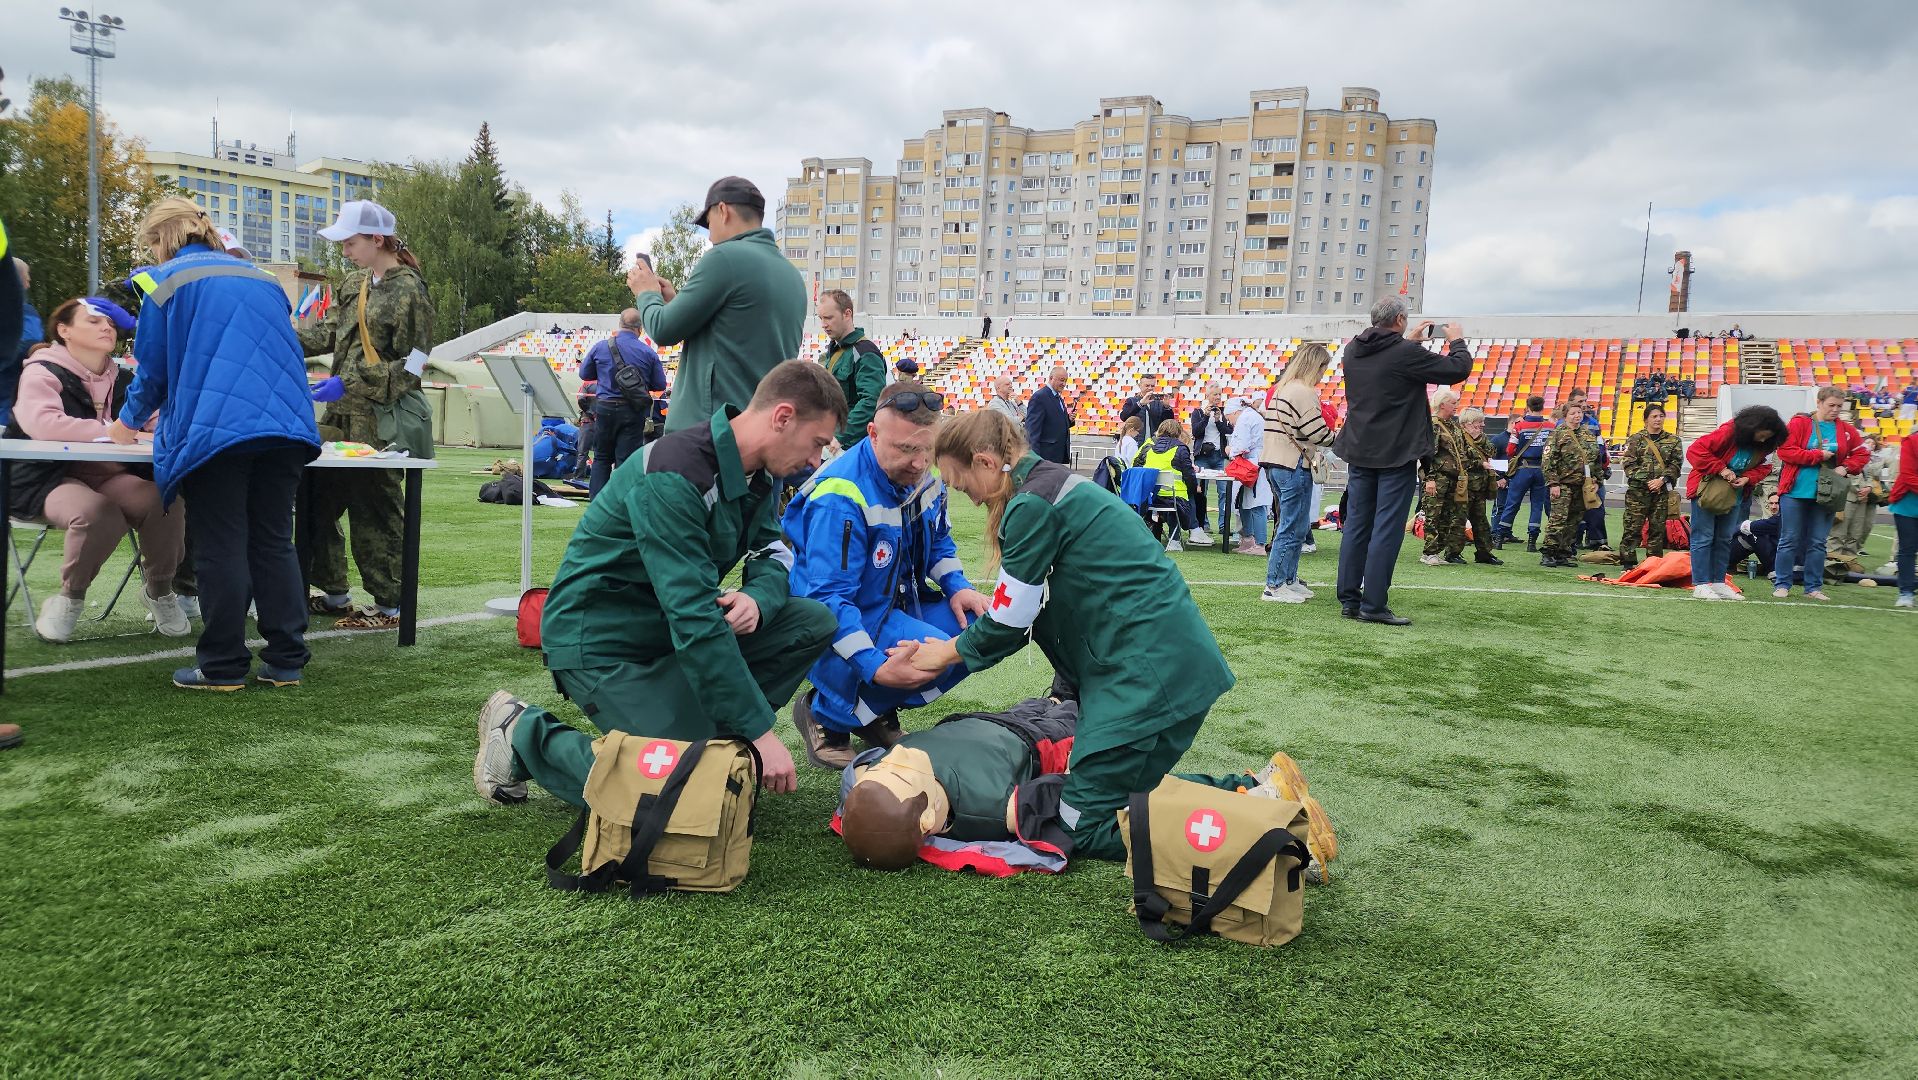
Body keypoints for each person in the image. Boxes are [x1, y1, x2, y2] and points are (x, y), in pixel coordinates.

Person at [472, 361, 846, 809]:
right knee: (686, 789)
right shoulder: (676, 473)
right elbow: (693, 618)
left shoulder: (763, 472)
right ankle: (523, 733)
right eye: (817, 443)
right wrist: (760, 732)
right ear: (783, 417)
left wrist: (757, 598)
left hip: (664, 632)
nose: (815, 461)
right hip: (602, 643)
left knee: (812, 621)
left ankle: (711, 743)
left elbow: (772, 552)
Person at [890, 409, 1248, 861]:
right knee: (1131, 798)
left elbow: (1010, 619)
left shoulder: (1032, 504)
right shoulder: (1053, 484)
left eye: (960, 483)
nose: (969, 498)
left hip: (1140, 679)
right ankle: (1254, 792)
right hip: (1172, 669)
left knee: (1085, 824)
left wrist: (943, 654)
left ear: (983, 461)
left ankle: (1263, 831)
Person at [104, 197, 321, 689]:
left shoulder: (167, 283)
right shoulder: (264, 280)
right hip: (286, 426)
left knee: (221, 544)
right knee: (272, 541)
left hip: (217, 429)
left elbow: (153, 371)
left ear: (160, 240)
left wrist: (125, 424)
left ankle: (223, 664)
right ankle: (286, 660)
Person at [783, 380, 989, 768]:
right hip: (849, 615)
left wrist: (957, 586)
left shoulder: (924, 474)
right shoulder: (840, 496)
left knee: (980, 628)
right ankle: (825, 712)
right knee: (929, 654)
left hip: (892, 603)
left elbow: (940, 541)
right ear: (873, 434)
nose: (918, 462)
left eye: (927, 449)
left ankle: (869, 712)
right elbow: (827, 602)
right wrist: (874, 667)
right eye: (906, 449)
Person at [5, 297, 189, 641]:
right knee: (96, 511)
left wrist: (141, 431)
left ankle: (160, 591)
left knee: (165, 501)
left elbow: (158, 421)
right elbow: (44, 424)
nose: (107, 327)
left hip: (110, 475)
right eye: (93, 321)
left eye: (110, 323)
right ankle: (70, 598)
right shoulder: (41, 370)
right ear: (64, 331)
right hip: (46, 478)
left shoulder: (125, 377)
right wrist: (113, 432)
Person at [296, 200, 435, 630]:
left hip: (378, 419)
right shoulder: (355, 282)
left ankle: (391, 606)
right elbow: (328, 332)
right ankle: (334, 590)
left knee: (375, 511)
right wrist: (275, 333)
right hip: (339, 415)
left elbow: (417, 362)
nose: (345, 251)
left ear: (378, 240)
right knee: (317, 503)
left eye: (351, 242)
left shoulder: (409, 289)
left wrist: (354, 382)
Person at [1331, 299, 1474, 625]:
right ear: (1399, 319)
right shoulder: (1404, 354)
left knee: (1356, 526)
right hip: (1395, 452)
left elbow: (1386, 364)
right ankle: (1374, 604)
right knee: (1386, 529)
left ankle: (1350, 600)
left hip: (1360, 448)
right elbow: (1457, 369)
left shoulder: (1353, 349)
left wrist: (1406, 341)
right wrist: (1457, 340)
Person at [627, 176, 806, 433]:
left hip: (708, 436)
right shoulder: (791, 275)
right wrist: (680, 303)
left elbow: (663, 329)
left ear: (722, 210)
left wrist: (646, 292)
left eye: (708, 224)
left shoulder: (724, 258)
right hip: (761, 433)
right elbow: (735, 335)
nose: (710, 237)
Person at [1772, 386, 1869, 600]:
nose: (1835, 410)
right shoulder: (1800, 423)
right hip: (1796, 491)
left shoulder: (1846, 429)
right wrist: (1816, 455)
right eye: (1831, 405)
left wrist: (1846, 467)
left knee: (1818, 542)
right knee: (1789, 539)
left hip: (1828, 494)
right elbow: (1785, 451)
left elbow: (1862, 454)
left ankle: (1813, 588)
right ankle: (1782, 584)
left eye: (1839, 407)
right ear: (1819, 403)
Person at [1685, 405, 1787, 601]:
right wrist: (1721, 469)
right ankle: (1700, 584)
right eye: (1762, 435)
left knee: (1724, 539)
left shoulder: (1766, 444)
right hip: (1707, 492)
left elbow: (1764, 467)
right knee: (1703, 537)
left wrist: (1748, 478)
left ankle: (1718, 582)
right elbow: (1695, 451)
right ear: (1751, 427)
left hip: (1735, 495)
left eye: (1768, 437)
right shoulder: (1728, 432)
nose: (1764, 440)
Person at [1261, 342, 1336, 600]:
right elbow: (1317, 432)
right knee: (1292, 526)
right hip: (1293, 463)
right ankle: (1276, 583)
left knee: (1293, 525)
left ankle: (1287, 578)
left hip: (1276, 462)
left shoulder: (1282, 389)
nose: (1323, 374)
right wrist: (1340, 438)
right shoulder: (1304, 392)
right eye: (1323, 368)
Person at [575, 308, 667, 497]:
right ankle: (621, 508)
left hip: (605, 408)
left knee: (601, 459)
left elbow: (585, 374)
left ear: (620, 325)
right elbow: (659, 384)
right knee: (626, 462)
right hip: (632, 411)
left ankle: (596, 508)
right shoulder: (647, 352)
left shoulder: (601, 347)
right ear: (639, 329)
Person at [813, 289, 886, 450]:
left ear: (847, 314)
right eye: (821, 318)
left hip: (852, 445)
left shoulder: (865, 352)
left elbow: (871, 400)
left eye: (829, 318)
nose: (823, 324)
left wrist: (841, 435)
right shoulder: (836, 349)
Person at [1537, 401, 1604, 569]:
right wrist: (1553, 483)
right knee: (1558, 519)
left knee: (1573, 521)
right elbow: (1548, 461)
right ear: (1565, 416)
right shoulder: (1557, 434)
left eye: (1579, 412)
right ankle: (1549, 552)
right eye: (1573, 413)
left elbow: (1596, 460)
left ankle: (1563, 552)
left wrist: (1597, 480)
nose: (1577, 416)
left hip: (1581, 486)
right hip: (1563, 484)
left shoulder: (1588, 435)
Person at [1619, 403, 1682, 571]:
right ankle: (1628, 562)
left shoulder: (1673, 440)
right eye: (1654, 416)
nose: (1658, 419)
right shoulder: (1635, 439)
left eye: (1661, 416)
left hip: (1661, 491)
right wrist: (1648, 480)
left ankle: (1653, 563)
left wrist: (1662, 480)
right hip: (1638, 492)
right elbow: (1628, 464)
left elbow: (1676, 464)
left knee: (1657, 528)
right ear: (1646, 419)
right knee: (1633, 526)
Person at [1134, 418, 1208, 550]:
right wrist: (1193, 488)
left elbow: (1137, 467)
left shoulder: (1148, 446)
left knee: (1177, 499)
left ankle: (1162, 536)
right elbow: (1189, 475)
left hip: (1150, 497)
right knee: (1192, 497)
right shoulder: (1180, 448)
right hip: (1174, 497)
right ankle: (1185, 535)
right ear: (1178, 432)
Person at [1416, 387, 1468, 567]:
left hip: (1452, 478)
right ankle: (1429, 552)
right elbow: (1428, 454)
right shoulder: (1434, 425)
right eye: (1453, 403)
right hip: (1437, 477)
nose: (1456, 406)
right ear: (1443, 404)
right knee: (1433, 515)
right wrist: (1429, 479)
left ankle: (1436, 551)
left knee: (1446, 516)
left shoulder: (1452, 426)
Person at [1495, 394, 1555, 550]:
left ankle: (1499, 538)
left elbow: (1509, 450)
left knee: (1512, 503)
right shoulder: (1550, 427)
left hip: (1523, 469)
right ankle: (1532, 542)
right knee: (1537, 505)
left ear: (1528, 408)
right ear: (1542, 408)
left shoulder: (1519, 426)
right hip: (1541, 470)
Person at [1832, 434, 1894, 562]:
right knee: (1839, 532)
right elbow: (1844, 474)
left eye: (1872, 443)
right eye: (1867, 442)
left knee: (1855, 533)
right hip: (1847, 497)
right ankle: (1831, 563)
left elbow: (1870, 475)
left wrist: (1869, 488)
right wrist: (1859, 489)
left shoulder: (1869, 459)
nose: (1869, 445)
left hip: (1862, 499)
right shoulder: (1847, 454)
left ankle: (1849, 563)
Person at [1455, 407, 1505, 565]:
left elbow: (1492, 451)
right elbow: (1458, 460)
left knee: (1481, 521)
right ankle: (1453, 552)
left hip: (1480, 486)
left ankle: (1484, 553)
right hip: (1463, 486)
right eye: (1478, 423)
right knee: (1459, 520)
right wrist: (1480, 463)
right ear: (1467, 423)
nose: (1482, 426)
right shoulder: (1457, 437)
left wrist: (1479, 439)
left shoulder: (1481, 438)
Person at [1226, 398, 1271, 555]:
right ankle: (1249, 539)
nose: (1230, 422)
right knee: (1244, 502)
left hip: (1253, 464)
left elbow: (1241, 445)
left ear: (1234, 412)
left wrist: (1229, 451)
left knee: (1256, 504)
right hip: (1253, 462)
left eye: (1228, 418)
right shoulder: (1252, 416)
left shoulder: (1245, 419)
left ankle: (1259, 543)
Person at [0, 257, 39, 427]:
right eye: (27, 279)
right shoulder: (23, 311)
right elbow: (30, 346)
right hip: (9, 389)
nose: (28, 285)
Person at [1189, 386, 1233, 536]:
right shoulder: (1198, 412)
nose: (1218, 397)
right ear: (1207, 395)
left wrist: (1219, 420)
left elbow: (1229, 433)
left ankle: (1223, 525)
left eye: (1219, 394)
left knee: (1223, 491)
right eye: (1215, 394)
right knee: (1202, 491)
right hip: (1203, 456)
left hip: (1219, 456)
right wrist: (1206, 416)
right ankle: (1204, 524)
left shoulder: (1223, 413)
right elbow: (1196, 432)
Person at [1887, 430, 1918, 607]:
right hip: (1908, 504)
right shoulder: (1911, 441)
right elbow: (1908, 475)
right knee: (1908, 548)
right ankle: (1906, 592)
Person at [1023, 363, 1073, 464]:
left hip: (1056, 455)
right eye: (1061, 380)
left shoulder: (1058, 397)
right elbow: (1032, 431)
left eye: (1065, 381)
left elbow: (1054, 423)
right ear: (1051, 378)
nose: (1064, 384)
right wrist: (1035, 459)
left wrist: (1069, 420)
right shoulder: (1040, 397)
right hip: (1045, 456)